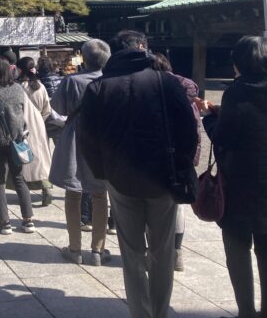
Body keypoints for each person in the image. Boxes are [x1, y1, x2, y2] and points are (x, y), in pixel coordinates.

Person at [79, 30, 198, 318]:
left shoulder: (98, 89)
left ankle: (140, 313)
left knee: (131, 254)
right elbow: (189, 131)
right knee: (162, 251)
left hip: (120, 179)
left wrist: (102, 172)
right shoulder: (165, 83)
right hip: (163, 177)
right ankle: (159, 311)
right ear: (142, 48)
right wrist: (183, 167)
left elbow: (87, 139)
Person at [201, 35, 267, 318]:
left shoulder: (237, 92)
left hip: (239, 184)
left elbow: (223, 137)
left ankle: (246, 311)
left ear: (239, 62)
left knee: (238, 249)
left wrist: (209, 117)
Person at [49, 38, 112, 266]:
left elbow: (58, 108)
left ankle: (75, 248)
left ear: (84, 58)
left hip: (76, 135)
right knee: (99, 194)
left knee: (73, 192)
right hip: (102, 138)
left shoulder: (71, 81)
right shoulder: (110, 80)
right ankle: (98, 249)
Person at [152, 52, 203, 272]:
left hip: (160, 157)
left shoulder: (155, 93)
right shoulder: (187, 93)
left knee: (155, 206)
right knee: (178, 206)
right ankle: (176, 253)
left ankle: (155, 253)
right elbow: (195, 129)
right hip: (184, 157)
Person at [0, 56, 35, 234]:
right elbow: (22, 108)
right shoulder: (18, 88)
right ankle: (28, 220)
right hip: (16, 139)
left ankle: (4, 222)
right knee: (19, 179)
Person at [16, 56, 54, 207]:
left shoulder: (18, 87)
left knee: (23, 157)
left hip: (22, 124)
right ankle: (46, 188)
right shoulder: (40, 86)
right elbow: (47, 109)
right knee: (42, 158)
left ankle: (23, 189)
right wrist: (40, 120)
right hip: (39, 124)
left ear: (20, 69)